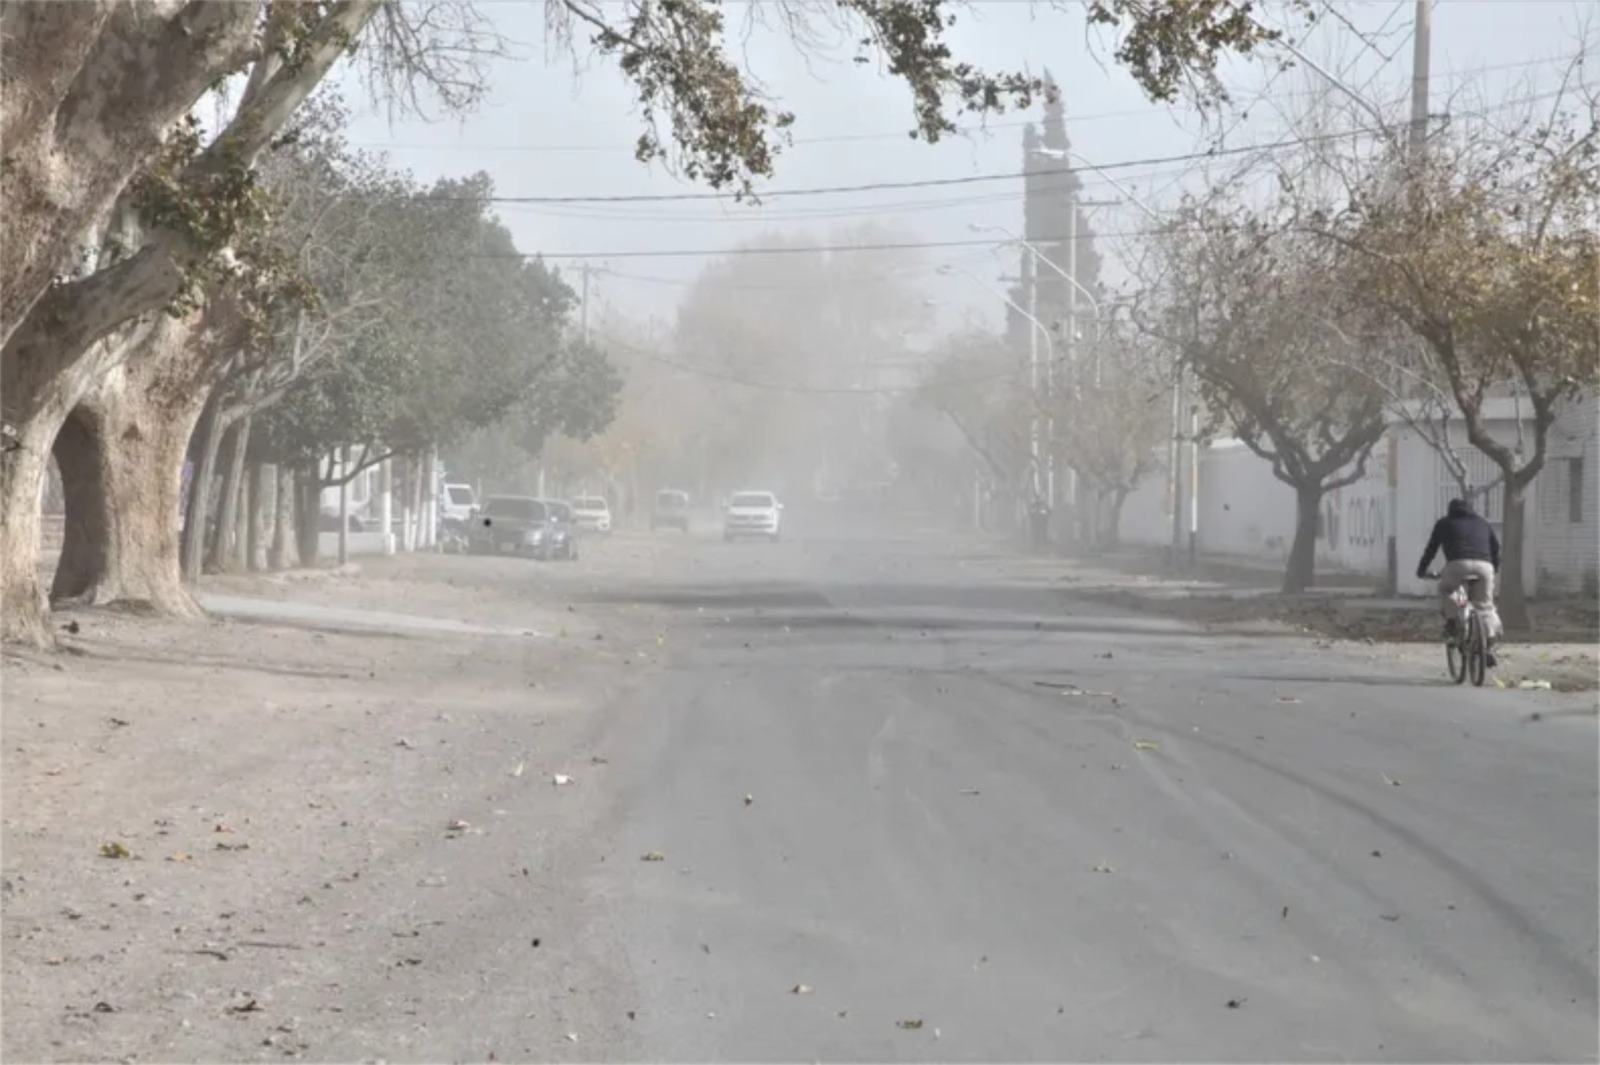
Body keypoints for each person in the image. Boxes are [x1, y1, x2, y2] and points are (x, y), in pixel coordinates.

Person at [1416, 497, 1502, 653]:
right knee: (1485, 605)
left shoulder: (1444, 523)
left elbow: (1431, 549)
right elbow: (1496, 549)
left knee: (1447, 591)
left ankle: (1453, 624)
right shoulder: (1483, 523)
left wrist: (1422, 570)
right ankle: (1489, 642)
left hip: (1457, 565)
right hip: (1484, 566)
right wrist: (1494, 569)